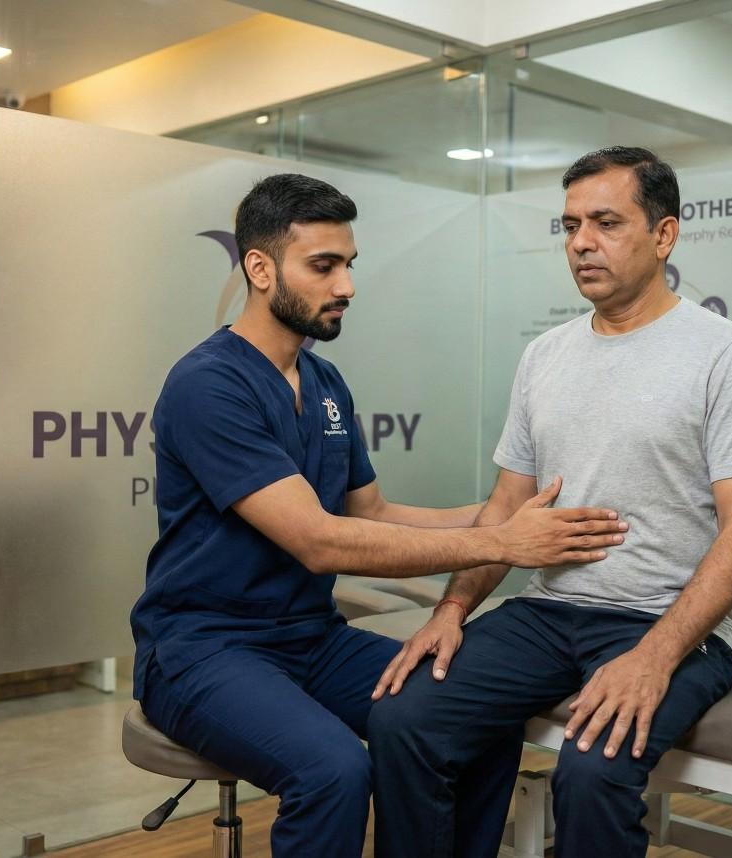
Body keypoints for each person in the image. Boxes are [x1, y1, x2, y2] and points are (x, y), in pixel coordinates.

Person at [129, 173, 629, 858]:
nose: (347, 287)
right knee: (334, 772)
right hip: (204, 650)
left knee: (476, 721)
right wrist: (507, 543)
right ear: (259, 268)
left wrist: (511, 515)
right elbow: (320, 541)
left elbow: (377, 512)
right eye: (323, 267)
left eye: (349, 265)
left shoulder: (325, 382)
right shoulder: (209, 385)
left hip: (312, 641)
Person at [368, 147, 732, 858]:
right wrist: (451, 609)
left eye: (605, 223)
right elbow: (507, 507)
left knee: (592, 770)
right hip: (549, 612)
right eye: (569, 226)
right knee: (406, 717)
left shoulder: (723, 353)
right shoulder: (545, 356)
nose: (581, 243)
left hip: (663, 619)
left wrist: (655, 657)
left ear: (664, 235)